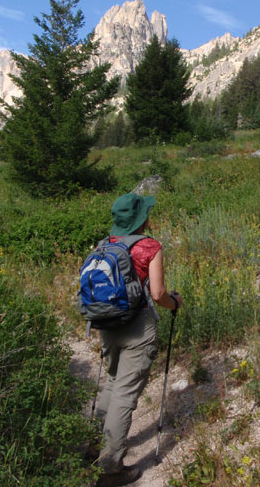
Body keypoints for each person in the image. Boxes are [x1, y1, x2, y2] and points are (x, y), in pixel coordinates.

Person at [94, 192, 183, 487]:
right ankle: (110, 469)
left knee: (111, 380)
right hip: (137, 327)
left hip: (106, 323)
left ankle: (92, 446)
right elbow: (158, 294)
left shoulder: (104, 244)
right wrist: (175, 303)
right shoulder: (150, 246)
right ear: (141, 219)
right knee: (125, 394)